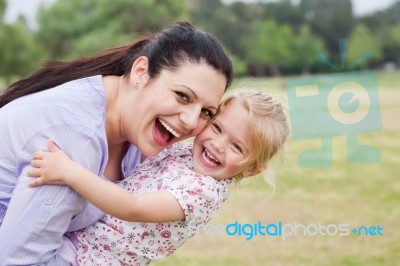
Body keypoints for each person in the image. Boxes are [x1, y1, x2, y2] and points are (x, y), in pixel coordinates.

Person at [0, 21, 233, 264]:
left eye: (206, 112)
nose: (190, 121)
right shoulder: (73, 140)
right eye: (182, 96)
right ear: (141, 72)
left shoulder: (135, 133)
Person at [28, 90, 290, 265]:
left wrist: (71, 172)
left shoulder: (202, 193)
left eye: (236, 147)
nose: (218, 145)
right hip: (78, 235)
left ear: (253, 169)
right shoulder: (190, 151)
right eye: (218, 128)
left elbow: (133, 207)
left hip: (88, 259)